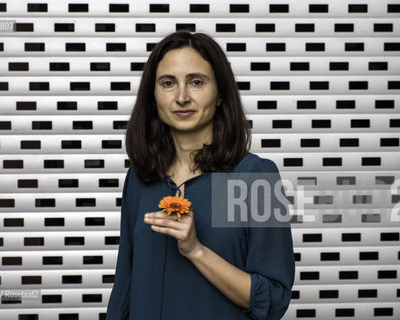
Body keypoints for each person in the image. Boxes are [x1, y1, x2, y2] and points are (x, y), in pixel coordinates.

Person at [106, 31, 294, 320]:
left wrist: (196, 251)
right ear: (153, 95)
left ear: (220, 94)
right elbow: (124, 289)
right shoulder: (142, 179)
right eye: (168, 83)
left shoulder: (251, 177)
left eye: (196, 82)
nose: (182, 97)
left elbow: (272, 300)